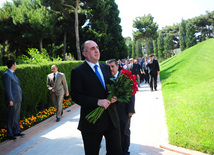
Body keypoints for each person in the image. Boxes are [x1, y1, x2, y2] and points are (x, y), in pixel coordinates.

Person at [70, 40, 122, 155]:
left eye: (97, 47)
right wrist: (97, 102)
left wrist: (115, 97)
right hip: (92, 123)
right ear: (85, 54)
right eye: (92, 48)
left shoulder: (106, 68)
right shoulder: (77, 72)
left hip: (111, 119)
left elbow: (111, 89)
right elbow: (76, 96)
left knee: (116, 152)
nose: (96, 50)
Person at [106, 59, 135, 155]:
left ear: (117, 66)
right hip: (110, 112)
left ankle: (125, 151)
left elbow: (132, 94)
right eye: (108, 67)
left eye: (112, 66)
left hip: (123, 111)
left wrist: (131, 109)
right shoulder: (106, 78)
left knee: (124, 132)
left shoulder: (124, 77)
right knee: (111, 134)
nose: (110, 69)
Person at [2, 60, 25, 140]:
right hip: (12, 100)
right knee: (11, 117)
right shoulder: (6, 75)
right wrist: (10, 99)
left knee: (16, 116)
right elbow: (8, 89)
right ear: (12, 65)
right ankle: (10, 133)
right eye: (15, 64)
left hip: (18, 98)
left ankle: (16, 131)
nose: (16, 65)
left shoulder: (12, 73)